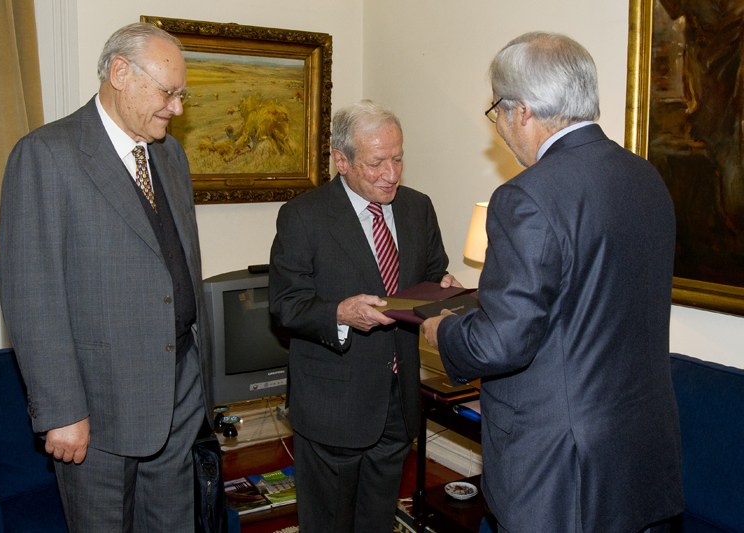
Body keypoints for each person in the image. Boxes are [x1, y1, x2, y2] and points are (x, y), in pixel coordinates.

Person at [422, 32, 684, 533]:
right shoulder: (646, 177)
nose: (499, 127)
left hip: (561, 470)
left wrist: (445, 331)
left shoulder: (527, 196)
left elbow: (503, 343)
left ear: (522, 110)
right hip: (642, 455)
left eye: (497, 111)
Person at [0, 22, 212, 531]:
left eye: (181, 95)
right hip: (99, 403)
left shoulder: (170, 155)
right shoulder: (47, 154)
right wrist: (61, 411)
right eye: (167, 93)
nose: (177, 109)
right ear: (120, 73)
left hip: (180, 387)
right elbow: (31, 296)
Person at [269, 100, 459, 532]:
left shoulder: (418, 207)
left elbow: (432, 273)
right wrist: (340, 313)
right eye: (376, 163)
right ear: (342, 161)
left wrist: (445, 288)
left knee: (376, 521)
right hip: (333, 404)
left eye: (398, 159)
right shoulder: (303, 216)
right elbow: (286, 305)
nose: (391, 174)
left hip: (398, 400)